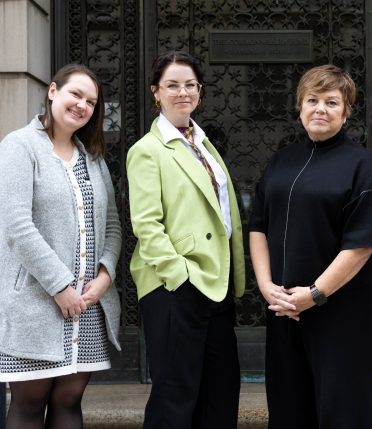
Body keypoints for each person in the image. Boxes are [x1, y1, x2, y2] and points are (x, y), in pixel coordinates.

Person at [249, 64, 372, 428]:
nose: (320, 109)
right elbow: (258, 227)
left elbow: (361, 244)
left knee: (344, 410)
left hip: (339, 309)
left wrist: (314, 294)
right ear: (299, 107)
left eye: (332, 102)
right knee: (289, 408)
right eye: (312, 100)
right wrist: (268, 288)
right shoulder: (281, 160)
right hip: (284, 308)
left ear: (345, 111)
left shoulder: (361, 163)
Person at [0, 64, 122, 429]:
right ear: (52, 91)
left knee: (69, 400)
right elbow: (17, 226)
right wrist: (60, 287)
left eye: (91, 102)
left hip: (86, 308)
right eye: (75, 94)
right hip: (34, 305)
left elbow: (112, 224)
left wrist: (105, 275)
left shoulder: (92, 157)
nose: (82, 105)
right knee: (30, 404)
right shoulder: (19, 145)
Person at [126, 50, 246, 429]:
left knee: (221, 392)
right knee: (174, 396)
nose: (183, 92)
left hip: (217, 283)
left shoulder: (204, 144)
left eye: (190, 85)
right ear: (155, 93)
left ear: (200, 91)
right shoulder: (146, 150)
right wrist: (180, 276)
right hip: (175, 285)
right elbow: (147, 225)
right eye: (172, 85)